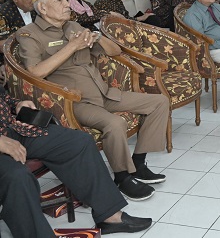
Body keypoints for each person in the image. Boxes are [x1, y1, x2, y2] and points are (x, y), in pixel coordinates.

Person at [17, 0, 170, 201]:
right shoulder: (29, 34)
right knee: (115, 123)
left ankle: (138, 164)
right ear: (43, 7)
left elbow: (114, 52)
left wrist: (97, 37)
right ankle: (122, 177)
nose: (67, 5)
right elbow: (35, 72)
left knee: (159, 102)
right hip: (74, 101)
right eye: (60, 1)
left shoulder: (74, 26)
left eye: (66, 0)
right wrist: (72, 46)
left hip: (103, 91)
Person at [0, 90, 152, 237]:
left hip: (10, 129)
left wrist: (17, 104)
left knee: (79, 142)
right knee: (17, 177)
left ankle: (110, 217)